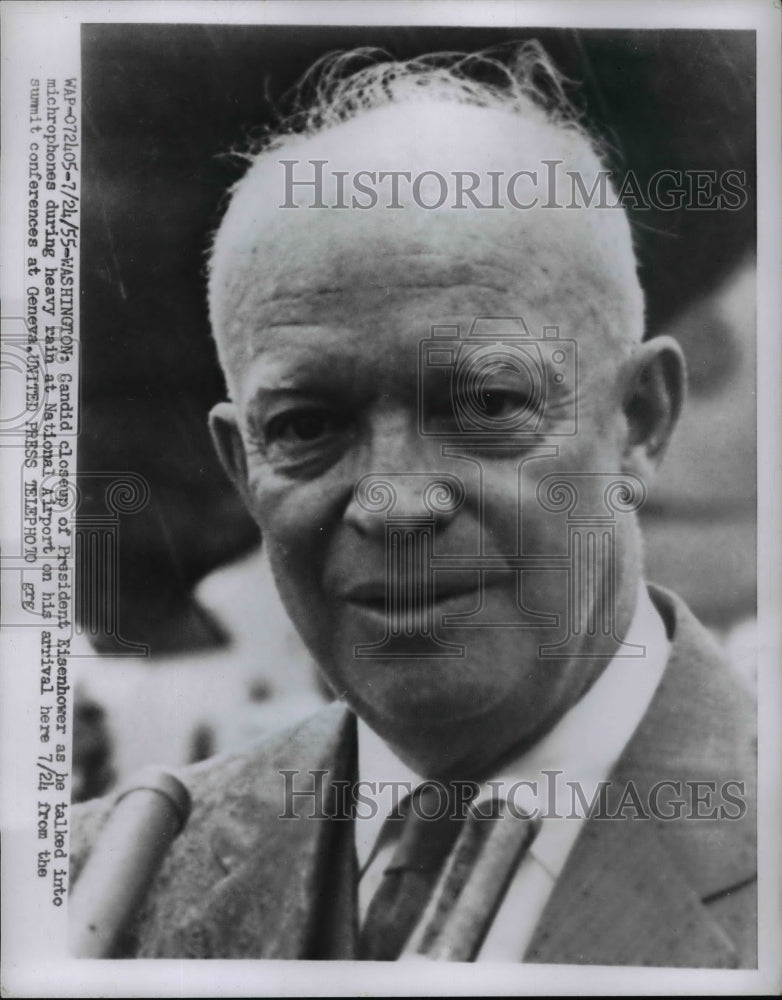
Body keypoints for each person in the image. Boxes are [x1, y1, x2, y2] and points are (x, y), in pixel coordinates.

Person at [70, 45, 756, 966]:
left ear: (639, 420)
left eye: (487, 406)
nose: (393, 503)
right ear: (242, 465)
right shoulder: (98, 881)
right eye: (309, 424)